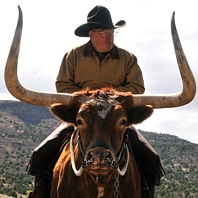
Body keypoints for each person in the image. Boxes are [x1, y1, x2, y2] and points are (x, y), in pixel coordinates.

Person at [27, 5, 165, 198]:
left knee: (150, 157)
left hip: (115, 118)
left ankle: (146, 192)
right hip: (84, 116)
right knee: (41, 153)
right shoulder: (73, 56)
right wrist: (88, 100)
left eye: (112, 32)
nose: (110, 36)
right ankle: (42, 189)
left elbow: (137, 87)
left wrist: (110, 97)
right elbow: (63, 85)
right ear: (91, 35)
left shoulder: (127, 58)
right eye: (104, 32)